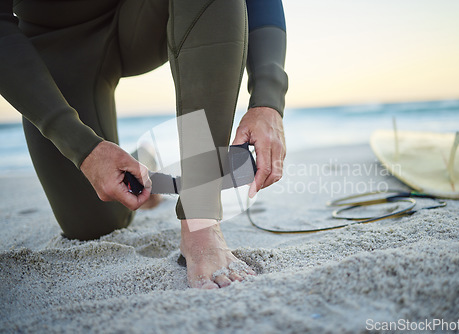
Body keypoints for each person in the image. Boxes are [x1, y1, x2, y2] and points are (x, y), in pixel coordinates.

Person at [0, 0, 287, 289]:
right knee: (93, 225)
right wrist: (83, 148)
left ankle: (200, 219)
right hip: (57, 42)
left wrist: (268, 99)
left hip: (143, 17)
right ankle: (143, 163)